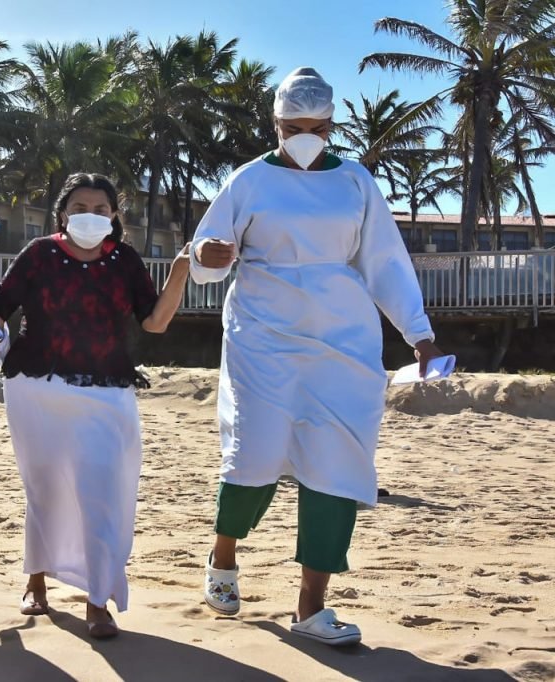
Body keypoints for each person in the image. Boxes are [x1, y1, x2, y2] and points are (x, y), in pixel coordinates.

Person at [189, 67, 444, 647]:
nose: (305, 134)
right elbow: (206, 256)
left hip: (342, 342)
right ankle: (223, 559)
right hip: (263, 335)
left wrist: (419, 333)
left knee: (336, 464)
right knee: (254, 452)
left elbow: (384, 261)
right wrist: (207, 254)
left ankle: (311, 606)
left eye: (316, 125)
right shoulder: (248, 180)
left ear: (332, 124)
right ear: (275, 124)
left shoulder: (355, 182)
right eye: (293, 125)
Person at [0, 173, 192, 639]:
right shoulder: (39, 254)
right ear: (62, 213)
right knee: (45, 490)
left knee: (102, 494)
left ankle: (97, 600)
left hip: (106, 390)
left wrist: (179, 272)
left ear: (113, 216)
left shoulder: (125, 260)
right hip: (37, 388)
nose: (89, 215)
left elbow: (154, 322)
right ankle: (36, 580)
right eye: (79, 207)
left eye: (99, 208)